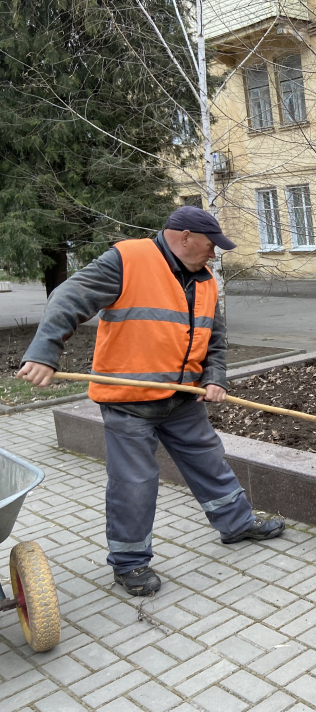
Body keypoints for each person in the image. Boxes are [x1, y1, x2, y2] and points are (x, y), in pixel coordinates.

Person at [17, 207, 285, 596]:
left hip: (183, 401)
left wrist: (214, 378)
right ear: (186, 237)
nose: (214, 254)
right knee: (134, 484)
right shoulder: (128, 259)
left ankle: (237, 524)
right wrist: (44, 352)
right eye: (211, 245)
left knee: (211, 464)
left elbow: (215, 339)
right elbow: (68, 296)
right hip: (130, 403)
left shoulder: (205, 281)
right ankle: (130, 563)